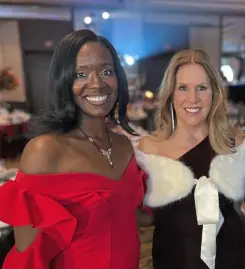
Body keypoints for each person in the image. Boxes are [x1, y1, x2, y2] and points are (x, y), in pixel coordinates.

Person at [0, 29, 146, 269]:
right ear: (64, 81)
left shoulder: (123, 146)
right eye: (81, 74)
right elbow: (28, 256)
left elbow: (126, 220)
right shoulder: (45, 151)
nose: (97, 83)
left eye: (107, 71)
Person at [136, 49, 245, 269]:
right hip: (173, 258)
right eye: (183, 88)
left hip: (229, 258)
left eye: (202, 88)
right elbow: (142, 216)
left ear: (214, 93)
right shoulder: (149, 149)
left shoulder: (233, 143)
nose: (193, 98)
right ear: (170, 94)